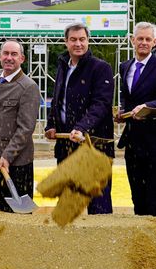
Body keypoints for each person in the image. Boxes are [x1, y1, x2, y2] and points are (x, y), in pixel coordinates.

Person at [45, 23, 115, 213]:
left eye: (82, 39)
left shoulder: (101, 68)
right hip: (66, 146)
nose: (78, 44)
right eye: (73, 40)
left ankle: (101, 241)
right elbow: (57, 101)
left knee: (97, 202)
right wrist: (51, 125)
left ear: (88, 41)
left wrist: (82, 127)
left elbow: (101, 104)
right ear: (66, 42)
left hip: (94, 146)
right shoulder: (63, 67)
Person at [117, 22, 156, 216]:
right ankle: (139, 244)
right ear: (133, 40)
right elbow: (128, 97)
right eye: (140, 38)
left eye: (147, 39)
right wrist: (123, 112)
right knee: (137, 197)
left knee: (155, 199)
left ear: (154, 42)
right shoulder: (125, 66)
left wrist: (147, 107)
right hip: (134, 143)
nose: (143, 42)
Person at [0, 41, 40, 212]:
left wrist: (8, 156)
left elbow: (25, 128)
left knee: (18, 216)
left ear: (22, 58)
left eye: (14, 54)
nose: (9, 58)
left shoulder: (29, 87)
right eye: (6, 53)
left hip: (17, 163)